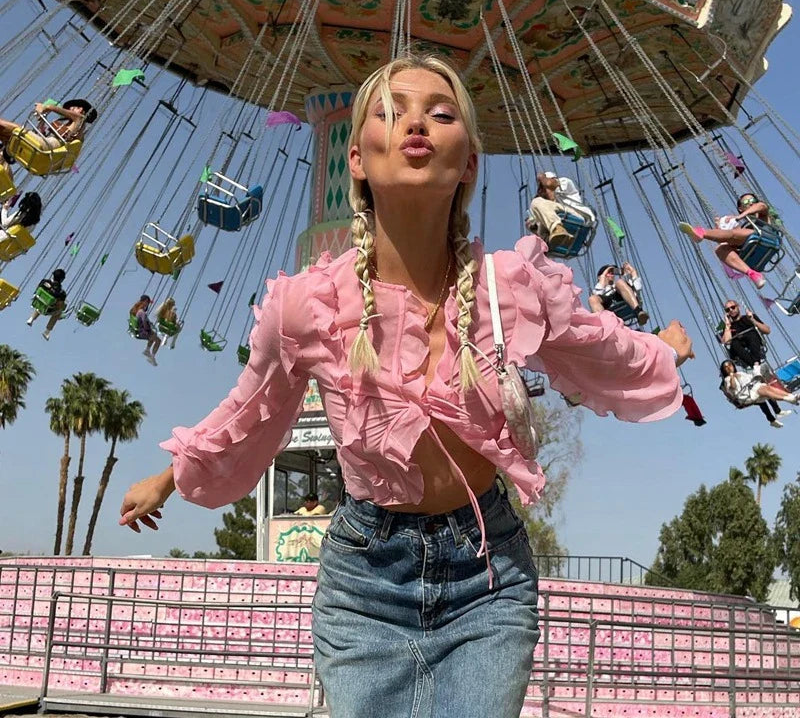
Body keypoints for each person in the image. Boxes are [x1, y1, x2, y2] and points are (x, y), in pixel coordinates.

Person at [119, 55, 693, 718]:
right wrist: (168, 476)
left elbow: (598, 347)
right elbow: (251, 406)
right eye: (391, 112)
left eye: (441, 113)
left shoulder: (510, 288)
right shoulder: (308, 307)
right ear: (355, 158)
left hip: (486, 572)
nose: (416, 121)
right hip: (367, 581)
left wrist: (661, 353)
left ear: (470, 162)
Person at [678, 193, 777, 289]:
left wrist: (740, 216)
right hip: (751, 248)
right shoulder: (746, 226)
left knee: (735, 233)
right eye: (747, 202)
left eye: (753, 200)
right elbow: (729, 239)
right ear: (740, 208)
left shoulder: (762, 215)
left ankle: (701, 232)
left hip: (767, 238)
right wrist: (718, 228)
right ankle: (752, 274)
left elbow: (761, 206)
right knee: (721, 248)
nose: (751, 203)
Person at [720, 299, 790, 427]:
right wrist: (727, 325)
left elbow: (767, 330)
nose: (731, 310)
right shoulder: (726, 325)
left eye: (733, 307)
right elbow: (726, 342)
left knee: (752, 333)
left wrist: (753, 320)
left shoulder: (748, 318)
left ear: (738, 307)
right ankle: (756, 366)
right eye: (727, 310)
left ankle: (756, 365)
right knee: (734, 343)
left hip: (755, 349)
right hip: (741, 355)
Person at [526, 171, 596, 251]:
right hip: (559, 218)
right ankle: (547, 245)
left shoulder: (565, 182)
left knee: (536, 202)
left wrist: (541, 178)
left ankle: (558, 229)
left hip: (575, 213)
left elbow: (550, 184)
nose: (545, 190)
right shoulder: (547, 206)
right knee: (535, 217)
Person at [0, 98, 97, 153]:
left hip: (48, 147)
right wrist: (42, 121)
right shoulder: (69, 125)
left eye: (73, 108)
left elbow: (79, 118)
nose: (70, 109)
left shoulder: (80, 123)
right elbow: (40, 134)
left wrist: (48, 107)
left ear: (80, 110)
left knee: (14, 128)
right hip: (45, 144)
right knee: (4, 132)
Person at [720, 360, 798, 420]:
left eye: (730, 365)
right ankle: (790, 399)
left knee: (768, 388)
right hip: (744, 396)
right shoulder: (727, 379)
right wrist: (731, 376)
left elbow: (750, 378)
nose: (729, 368)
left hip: (752, 389)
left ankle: (791, 397)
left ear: (733, 366)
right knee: (764, 390)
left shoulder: (741, 373)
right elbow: (733, 387)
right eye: (726, 367)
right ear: (724, 370)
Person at [27, 268, 66, 340]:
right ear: (62, 280)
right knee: (58, 311)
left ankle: (31, 318)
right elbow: (60, 303)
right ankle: (47, 331)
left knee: (42, 302)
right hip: (48, 309)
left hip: (37, 301)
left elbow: (38, 289)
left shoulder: (43, 281)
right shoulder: (61, 292)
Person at [130, 295, 161, 365]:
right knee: (158, 340)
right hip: (142, 332)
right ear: (145, 302)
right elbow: (144, 323)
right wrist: (148, 329)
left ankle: (147, 350)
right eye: (148, 303)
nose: (148, 305)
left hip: (139, 331)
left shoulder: (137, 310)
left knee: (154, 334)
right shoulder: (142, 312)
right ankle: (152, 357)